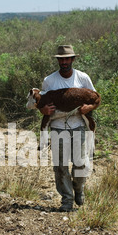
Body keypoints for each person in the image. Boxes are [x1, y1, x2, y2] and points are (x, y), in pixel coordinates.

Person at [39, 44, 99, 212]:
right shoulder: (49, 81)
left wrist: (89, 108)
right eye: (61, 59)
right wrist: (43, 110)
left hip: (78, 126)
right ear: (58, 61)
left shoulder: (82, 78)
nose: (64, 62)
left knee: (80, 164)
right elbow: (42, 103)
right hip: (57, 127)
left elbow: (94, 99)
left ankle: (79, 189)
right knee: (60, 166)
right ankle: (67, 199)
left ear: (72, 59)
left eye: (67, 59)